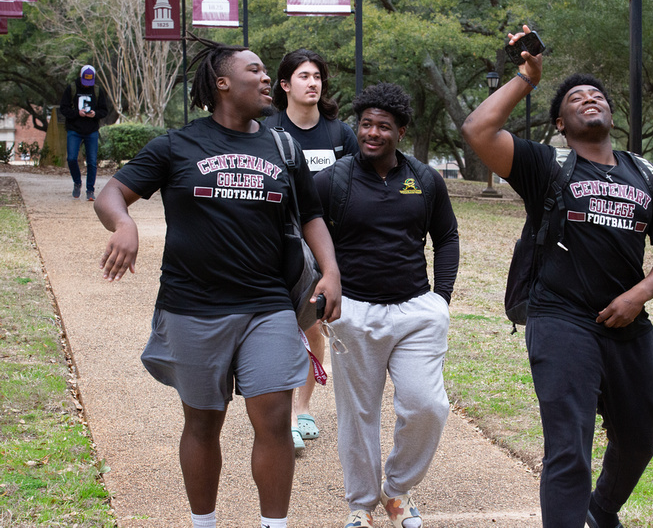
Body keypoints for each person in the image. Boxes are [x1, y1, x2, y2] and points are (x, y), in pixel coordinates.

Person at [93, 37, 341, 528]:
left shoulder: (281, 146)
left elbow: (311, 216)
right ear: (223, 83)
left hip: (266, 304)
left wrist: (330, 271)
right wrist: (124, 225)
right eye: (256, 70)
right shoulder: (177, 144)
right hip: (192, 305)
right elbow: (111, 195)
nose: (267, 78)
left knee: (272, 418)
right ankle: (202, 523)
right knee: (203, 421)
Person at [461, 26, 653, 528]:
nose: (590, 99)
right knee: (569, 444)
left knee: (640, 430)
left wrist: (640, 294)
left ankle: (601, 511)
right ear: (560, 124)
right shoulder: (548, 165)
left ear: (611, 115)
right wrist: (528, 76)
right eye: (577, 98)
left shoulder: (646, 175)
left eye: (598, 96)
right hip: (560, 318)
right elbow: (478, 129)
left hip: (627, 324)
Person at [314, 82, 459, 528]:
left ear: (401, 131)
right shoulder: (332, 179)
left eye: (383, 126)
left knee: (427, 405)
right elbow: (310, 238)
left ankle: (397, 489)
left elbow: (447, 237)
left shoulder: (426, 179)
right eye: (365, 124)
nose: (372, 132)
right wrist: (321, 295)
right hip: (354, 312)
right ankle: (361, 503)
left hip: (415, 310)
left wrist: (442, 297)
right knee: (358, 414)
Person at [266, 48, 358, 452]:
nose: (313, 82)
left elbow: (360, 185)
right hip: (278, 245)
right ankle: (282, 416)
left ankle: (303, 408)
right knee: (279, 329)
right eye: (303, 76)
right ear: (285, 85)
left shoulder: (341, 135)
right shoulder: (267, 131)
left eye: (317, 76)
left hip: (327, 246)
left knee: (312, 326)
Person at [60, 64, 109, 201]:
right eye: (85, 81)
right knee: (71, 158)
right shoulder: (72, 88)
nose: (87, 85)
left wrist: (95, 114)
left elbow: (104, 110)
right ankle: (77, 182)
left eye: (90, 82)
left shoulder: (98, 91)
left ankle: (90, 190)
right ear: (80, 77)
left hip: (91, 131)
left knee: (92, 162)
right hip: (74, 129)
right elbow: (63, 108)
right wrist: (77, 113)